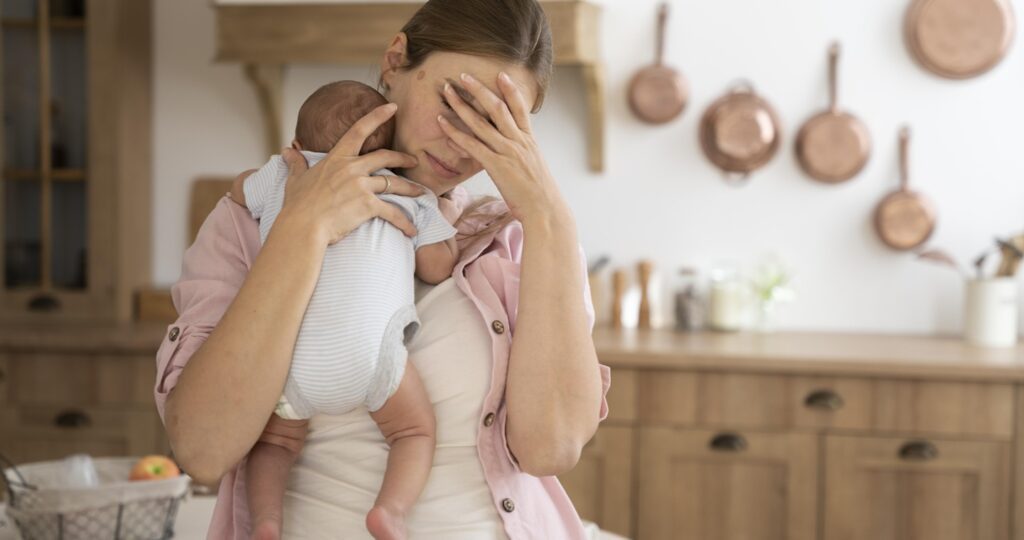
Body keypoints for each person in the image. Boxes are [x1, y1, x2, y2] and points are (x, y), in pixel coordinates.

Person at [154, 0, 612, 537]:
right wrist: (302, 230)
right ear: (395, 61)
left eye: (496, 125)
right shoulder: (251, 222)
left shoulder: (522, 242)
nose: (462, 143)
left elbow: (550, 448)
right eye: (456, 101)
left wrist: (549, 214)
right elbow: (204, 450)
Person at [229, 79, 461, 540]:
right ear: (391, 152)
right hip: (370, 356)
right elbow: (437, 269)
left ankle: (266, 522)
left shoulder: (285, 174)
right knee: (413, 433)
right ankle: (390, 512)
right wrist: (444, 221)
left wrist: (278, 167)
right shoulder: (407, 191)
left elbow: (237, 192)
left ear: (298, 146)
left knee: (275, 442)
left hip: (288, 358)